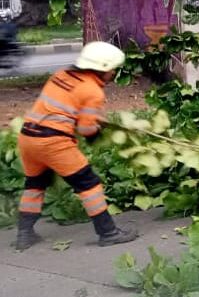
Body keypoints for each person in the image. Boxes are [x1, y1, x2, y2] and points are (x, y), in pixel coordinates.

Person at [15, 41, 138, 250]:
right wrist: (98, 131)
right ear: (103, 68)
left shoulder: (61, 75)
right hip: (54, 143)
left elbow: (65, 105)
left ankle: (24, 234)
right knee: (88, 183)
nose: (114, 73)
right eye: (113, 69)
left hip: (28, 138)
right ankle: (108, 232)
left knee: (35, 184)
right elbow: (85, 129)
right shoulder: (93, 91)